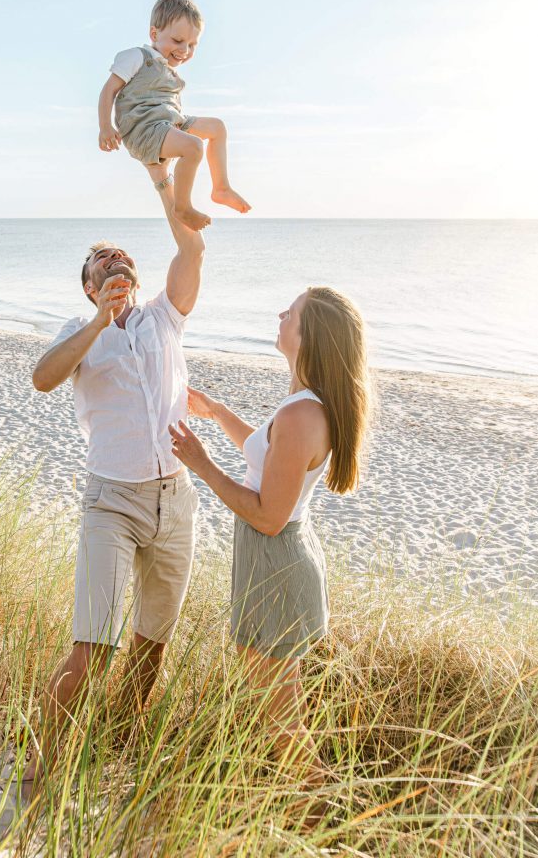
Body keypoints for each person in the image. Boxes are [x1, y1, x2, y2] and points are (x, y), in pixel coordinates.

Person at [23, 173, 204, 795]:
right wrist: (99, 322)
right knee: (92, 647)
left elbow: (192, 253)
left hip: (176, 500)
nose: (116, 261)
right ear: (89, 285)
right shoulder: (80, 330)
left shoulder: (163, 319)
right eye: (103, 261)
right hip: (112, 502)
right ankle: (40, 767)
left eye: (122, 256)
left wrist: (168, 190)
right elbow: (44, 379)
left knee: (150, 646)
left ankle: (116, 749)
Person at [169, 286, 370, 806]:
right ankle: (292, 805)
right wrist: (216, 412)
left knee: (279, 717)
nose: (281, 314)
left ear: (310, 338)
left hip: (277, 563)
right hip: (271, 562)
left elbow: (268, 513)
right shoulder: (302, 405)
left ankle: (321, 813)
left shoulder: (304, 415)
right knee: (271, 705)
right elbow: (265, 454)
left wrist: (201, 462)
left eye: (292, 312)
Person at [97, 0, 251, 232]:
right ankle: (182, 206)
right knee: (193, 146)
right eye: (178, 41)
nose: (185, 50)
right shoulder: (137, 57)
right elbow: (108, 91)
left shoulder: (168, 70)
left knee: (216, 127)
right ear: (154, 34)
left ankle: (221, 187)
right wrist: (106, 127)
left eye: (192, 45)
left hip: (168, 122)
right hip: (143, 129)